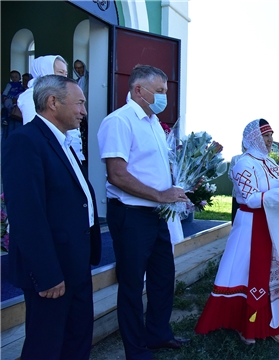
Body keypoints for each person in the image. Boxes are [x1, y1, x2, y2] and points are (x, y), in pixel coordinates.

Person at [2, 75, 101, 359]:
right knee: (45, 345)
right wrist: (47, 275)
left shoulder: (63, 141)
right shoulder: (25, 141)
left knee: (77, 338)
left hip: (77, 263)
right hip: (51, 270)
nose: (83, 110)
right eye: (79, 103)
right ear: (53, 102)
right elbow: (27, 215)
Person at [97, 64, 190, 359]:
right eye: (160, 91)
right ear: (139, 90)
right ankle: (135, 349)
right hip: (131, 216)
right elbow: (117, 175)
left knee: (163, 276)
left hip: (158, 214)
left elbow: (158, 169)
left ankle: (158, 334)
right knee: (132, 284)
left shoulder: (153, 123)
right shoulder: (119, 122)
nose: (164, 96)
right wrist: (160, 194)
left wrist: (178, 190)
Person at [195, 119, 279, 345]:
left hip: (272, 224)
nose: (270, 141)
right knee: (245, 272)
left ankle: (275, 324)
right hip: (250, 224)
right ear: (253, 138)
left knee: (274, 271)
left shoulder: (272, 164)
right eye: (265, 136)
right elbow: (248, 198)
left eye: (271, 136)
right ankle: (245, 325)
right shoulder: (243, 164)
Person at [18, 55, 86, 163]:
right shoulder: (32, 95)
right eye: (60, 72)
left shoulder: (59, 93)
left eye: (65, 73)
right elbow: (36, 132)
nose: (64, 77)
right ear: (44, 71)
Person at [228, 144, 246, 224]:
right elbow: (230, 174)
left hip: (252, 195)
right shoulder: (235, 159)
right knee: (236, 220)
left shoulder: (258, 159)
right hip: (237, 193)